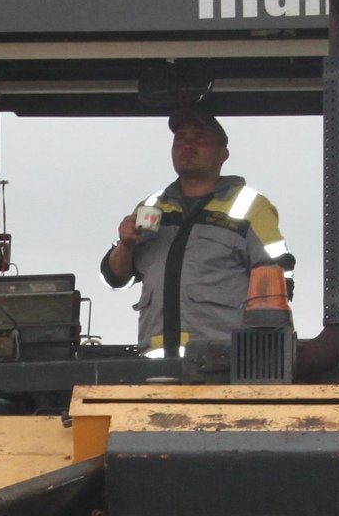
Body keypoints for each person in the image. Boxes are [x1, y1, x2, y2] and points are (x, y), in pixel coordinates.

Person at [100, 106, 292, 358]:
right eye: (180, 139)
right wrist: (125, 245)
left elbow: (278, 277)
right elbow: (115, 277)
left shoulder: (251, 207)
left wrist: (265, 351)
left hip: (223, 362)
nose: (187, 145)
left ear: (223, 154)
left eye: (200, 138)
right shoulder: (151, 206)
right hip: (155, 365)